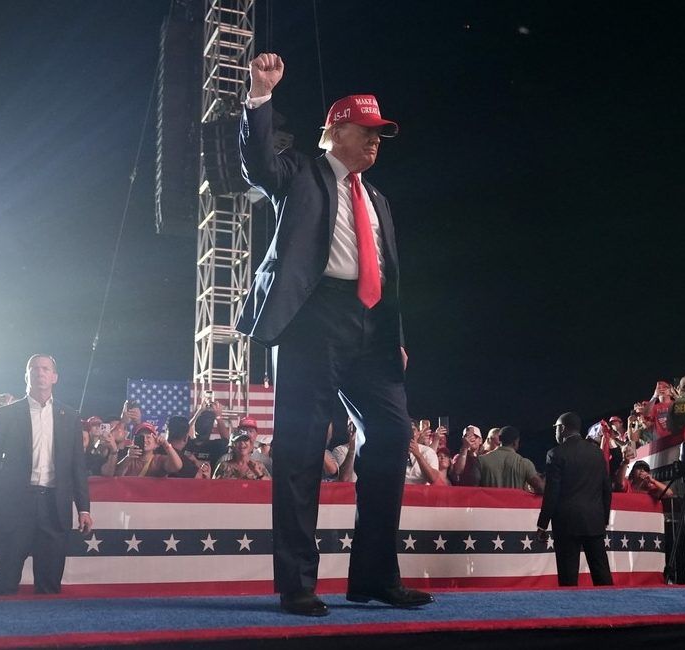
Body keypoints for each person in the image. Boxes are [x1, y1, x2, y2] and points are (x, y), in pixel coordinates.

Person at [235, 51, 432, 615]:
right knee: (300, 450)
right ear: (335, 132)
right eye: (366, 131)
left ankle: (372, 577)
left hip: (370, 326)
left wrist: (391, 332)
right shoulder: (299, 173)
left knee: (393, 437)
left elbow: (388, 275)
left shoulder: (380, 201)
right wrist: (261, 96)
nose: (375, 141)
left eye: (380, 134)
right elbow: (256, 163)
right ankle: (297, 582)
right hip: (312, 320)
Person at [0, 355, 93, 595]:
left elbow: (77, 466)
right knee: (6, 580)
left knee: (50, 584)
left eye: (45, 368)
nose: (39, 372)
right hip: (14, 507)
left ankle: (48, 632)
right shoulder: (5, 414)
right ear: (26, 376)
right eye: (34, 368)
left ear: (55, 377)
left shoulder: (70, 416)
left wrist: (84, 508)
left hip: (54, 508)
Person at [537, 412, 613, 587]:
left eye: (556, 428)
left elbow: (552, 492)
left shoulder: (555, 454)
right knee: (601, 572)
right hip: (594, 521)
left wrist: (542, 524)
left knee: (568, 576)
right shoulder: (597, 454)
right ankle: (612, 609)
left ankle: (571, 612)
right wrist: (604, 519)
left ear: (562, 428)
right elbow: (606, 489)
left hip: (566, 523)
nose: (555, 432)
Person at [475, 426, 544, 493]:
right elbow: (541, 488)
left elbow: (472, 489)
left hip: (488, 504)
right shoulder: (524, 463)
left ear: (500, 439)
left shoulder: (481, 460)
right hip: (515, 504)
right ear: (515, 442)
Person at [116, 422, 183, 477]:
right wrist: (128, 457)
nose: (145, 440)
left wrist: (166, 445)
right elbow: (116, 475)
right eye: (141, 437)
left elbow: (177, 466)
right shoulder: (129, 459)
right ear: (134, 441)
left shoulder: (159, 460)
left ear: (156, 444)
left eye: (148, 437)